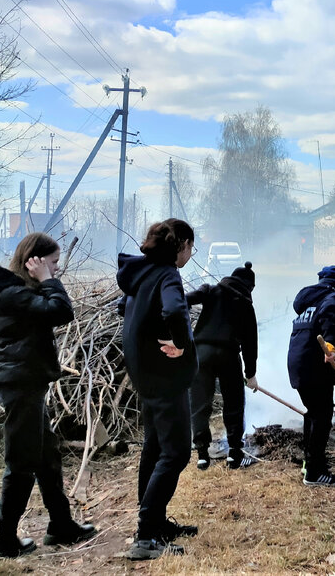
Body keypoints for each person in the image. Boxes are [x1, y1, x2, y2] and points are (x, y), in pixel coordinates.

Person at [0, 232, 96, 560]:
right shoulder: (12, 293)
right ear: (34, 262)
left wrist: (44, 279)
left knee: (46, 455)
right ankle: (4, 543)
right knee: (22, 461)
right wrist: (46, 279)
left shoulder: (16, 289)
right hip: (20, 384)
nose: (55, 270)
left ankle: (60, 525)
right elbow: (60, 312)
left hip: (25, 381)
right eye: (52, 263)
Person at [117, 219, 200, 560]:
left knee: (154, 446)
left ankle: (154, 521)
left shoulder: (141, 273)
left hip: (144, 373)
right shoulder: (167, 274)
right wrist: (181, 343)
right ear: (180, 245)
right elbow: (174, 309)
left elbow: (124, 308)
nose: (191, 254)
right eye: (190, 247)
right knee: (177, 452)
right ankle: (146, 534)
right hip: (165, 377)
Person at [186, 261, 259, 470]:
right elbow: (250, 342)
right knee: (234, 403)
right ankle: (234, 453)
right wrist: (250, 373)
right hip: (228, 355)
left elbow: (186, 299)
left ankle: (202, 453)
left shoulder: (211, 290)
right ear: (249, 286)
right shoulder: (245, 304)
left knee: (200, 404)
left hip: (202, 355)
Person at [287, 265, 335, 487]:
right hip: (314, 366)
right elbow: (331, 333)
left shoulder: (309, 304)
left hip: (298, 366)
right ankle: (315, 472)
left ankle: (309, 463)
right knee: (322, 417)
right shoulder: (334, 298)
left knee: (313, 414)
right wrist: (332, 346)